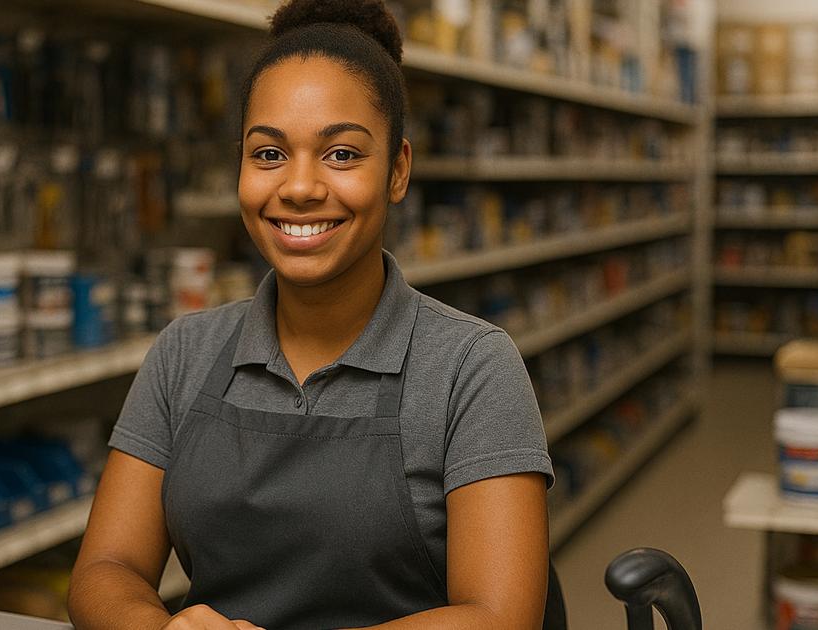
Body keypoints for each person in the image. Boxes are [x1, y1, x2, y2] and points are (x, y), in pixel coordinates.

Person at [68, 1, 553, 628]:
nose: (298, 187)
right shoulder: (185, 351)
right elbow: (105, 570)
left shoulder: (471, 367)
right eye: (268, 154)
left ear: (398, 170)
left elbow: (500, 617)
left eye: (342, 155)